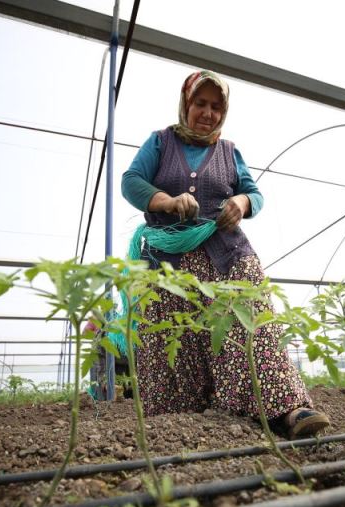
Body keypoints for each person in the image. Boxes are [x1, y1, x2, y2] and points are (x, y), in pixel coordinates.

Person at [121, 69, 330, 439]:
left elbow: (255, 193)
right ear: (186, 104)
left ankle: (287, 409)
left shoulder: (229, 151)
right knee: (174, 338)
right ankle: (179, 425)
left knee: (252, 326)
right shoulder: (160, 142)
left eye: (216, 106)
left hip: (228, 255)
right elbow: (131, 181)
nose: (208, 113)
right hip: (169, 262)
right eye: (200, 103)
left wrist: (241, 200)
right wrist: (167, 201)